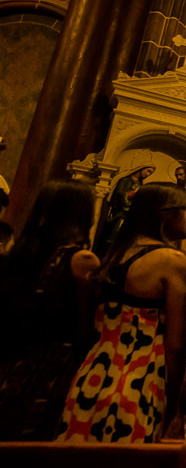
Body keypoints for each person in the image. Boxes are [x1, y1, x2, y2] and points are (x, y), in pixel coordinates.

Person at [58, 184, 186, 442]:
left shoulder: (114, 254)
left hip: (93, 375)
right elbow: (175, 345)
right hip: (139, 379)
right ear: (164, 214)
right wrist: (174, 398)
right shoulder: (171, 261)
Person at [0, 180, 98, 440]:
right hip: (52, 369)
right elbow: (84, 326)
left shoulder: (19, 255)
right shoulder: (82, 260)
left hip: (10, 360)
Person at [95, 164, 155, 255]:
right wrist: (133, 194)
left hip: (129, 215)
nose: (148, 174)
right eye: (148, 171)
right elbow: (121, 195)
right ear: (141, 168)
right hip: (119, 214)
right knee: (113, 236)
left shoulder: (140, 183)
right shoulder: (125, 180)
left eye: (150, 173)